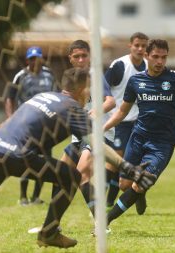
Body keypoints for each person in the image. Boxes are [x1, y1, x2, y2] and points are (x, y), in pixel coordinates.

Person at [0, 68, 156, 253]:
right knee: (71, 175)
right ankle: (48, 232)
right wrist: (129, 168)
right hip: (19, 155)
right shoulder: (73, 108)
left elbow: (8, 123)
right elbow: (98, 146)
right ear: (83, 89)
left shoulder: (42, 96)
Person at [103, 39, 175, 227]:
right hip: (138, 137)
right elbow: (123, 111)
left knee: (139, 184)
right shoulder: (136, 81)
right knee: (125, 185)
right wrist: (103, 127)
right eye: (155, 57)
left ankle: (105, 222)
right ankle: (140, 193)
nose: (159, 62)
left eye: (163, 57)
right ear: (146, 56)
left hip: (163, 143)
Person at [59, 40, 116, 219]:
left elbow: (111, 101)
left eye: (84, 56)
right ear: (70, 59)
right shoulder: (70, 78)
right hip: (79, 134)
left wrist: (96, 111)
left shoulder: (95, 76)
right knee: (61, 174)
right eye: (77, 56)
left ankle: (101, 223)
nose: (81, 59)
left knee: (81, 171)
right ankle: (52, 224)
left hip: (99, 132)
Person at [6, 46, 58, 206]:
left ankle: (36, 197)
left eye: (38, 58)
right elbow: (10, 98)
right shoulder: (20, 76)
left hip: (45, 125)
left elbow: (57, 95)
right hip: (26, 124)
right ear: (27, 60)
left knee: (45, 160)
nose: (35, 61)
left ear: (42, 58)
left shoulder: (49, 76)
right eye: (32, 58)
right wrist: (10, 119)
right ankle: (23, 197)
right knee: (26, 160)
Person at [104, 32, 149, 213]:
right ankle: (107, 200)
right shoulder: (120, 65)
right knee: (116, 161)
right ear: (130, 46)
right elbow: (104, 86)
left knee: (130, 165)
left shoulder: (149, 66)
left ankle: (137, 191)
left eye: (143, 46)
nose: (140, 49)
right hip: (120, 121)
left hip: (140, 123)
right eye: (137, 45)